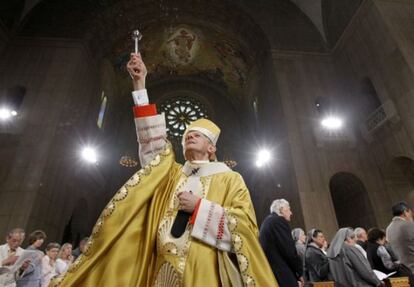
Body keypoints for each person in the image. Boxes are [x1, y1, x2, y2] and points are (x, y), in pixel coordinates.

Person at [50, 53, 279, 287]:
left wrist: (199, 208)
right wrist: (140, 85)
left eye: (198, 135)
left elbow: (245, 229)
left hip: (204, 269)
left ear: (212, 148)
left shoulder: (230, 179)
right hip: (161, 268)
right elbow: (151, 144)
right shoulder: (172, 175)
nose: (190, 135)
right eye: (187, 134)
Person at [260, 199, 304, 286]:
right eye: (289, 209)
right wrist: (300, 272)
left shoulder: (269, 221)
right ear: (281, 210)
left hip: (273, 273)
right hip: (282, 274)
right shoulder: (278, 221)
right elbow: (289, 251)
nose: (291, 213)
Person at [386, 201, 414, 273]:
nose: (412, 215)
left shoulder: (388, 229)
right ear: (405, 212)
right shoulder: (408, 225)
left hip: (405, 271)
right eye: (410, 213)